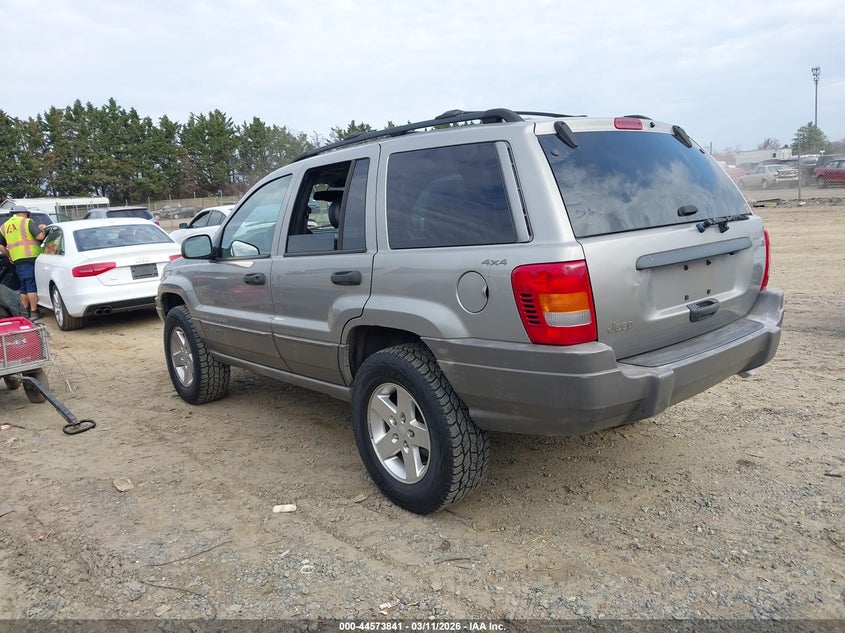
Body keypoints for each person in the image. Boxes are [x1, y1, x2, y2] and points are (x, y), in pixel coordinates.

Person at [0, 204, 47, 319]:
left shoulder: (4, 226)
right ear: (25, 213)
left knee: (24, 286)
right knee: (31, 284)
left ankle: (25, 311)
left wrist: (9, 255)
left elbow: (1, 246)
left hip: (17, 259)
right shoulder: (27, 222)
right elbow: (40, 237)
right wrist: (43, 229)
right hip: (31, 257)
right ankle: (34, 311)